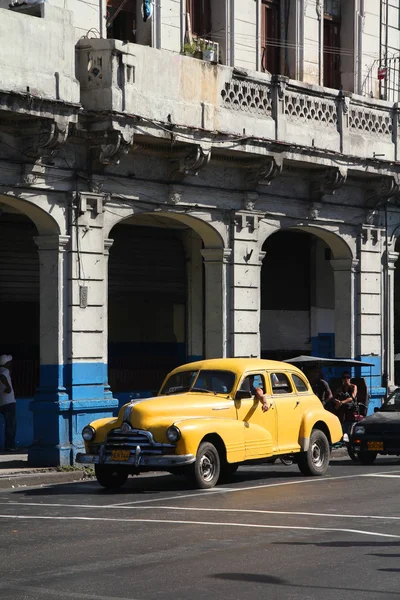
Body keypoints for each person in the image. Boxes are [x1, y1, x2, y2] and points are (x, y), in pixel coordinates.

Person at [0, 355, 17, 452]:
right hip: (8, 401)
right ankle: (10, 445)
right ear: (7, 363)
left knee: (9, 424)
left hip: (2, 401)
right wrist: (8, 387)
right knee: (11, 424)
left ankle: (9, 445)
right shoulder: (4, 371)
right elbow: (2, 377)